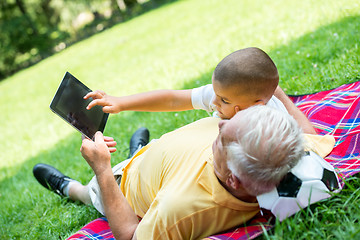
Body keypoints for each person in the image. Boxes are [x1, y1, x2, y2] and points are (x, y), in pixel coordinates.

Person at [33, 105, 335, 240]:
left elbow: (129, 235)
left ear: (232, 179)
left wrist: (101, 169)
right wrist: (277, 93)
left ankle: (67, 187)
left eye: (222, 137)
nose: (219, 124)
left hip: (125, 185)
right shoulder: (284, 149)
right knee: (142, 150)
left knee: (91, 192)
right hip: (157, 160)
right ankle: (138, 148)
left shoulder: (179, 209)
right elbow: (311, 136)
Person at [84, 47, 317, 134]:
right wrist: (122, 103)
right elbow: (173, 99)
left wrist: (279, 94)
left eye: (224, 100)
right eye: (215, 93)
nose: (214, 102)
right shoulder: (222, 96)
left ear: (255, 106)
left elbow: (311, 140)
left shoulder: (273, 124)